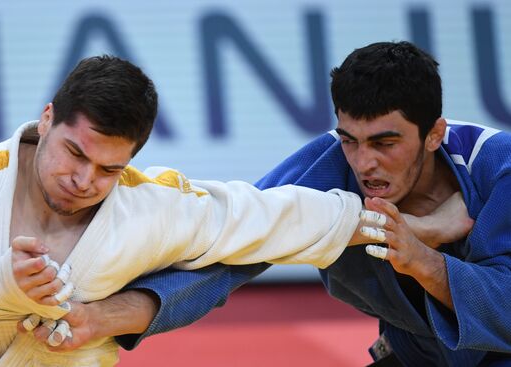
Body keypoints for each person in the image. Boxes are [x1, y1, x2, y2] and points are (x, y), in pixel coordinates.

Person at [67, 41, 508, 366]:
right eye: (350, 139)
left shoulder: (497, 169)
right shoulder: (329, 165)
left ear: (434, 134)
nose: (364, 163)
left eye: (385, 142)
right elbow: (233, 247)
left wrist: (423, 261)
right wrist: (106, 316)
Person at [0, 54, 401, 366]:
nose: (83, 180)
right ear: (46, 119)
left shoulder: (148, 207)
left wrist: (408, 229)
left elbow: (272, 216)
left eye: (108, 169)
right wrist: (5, 285)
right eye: (74, 153)